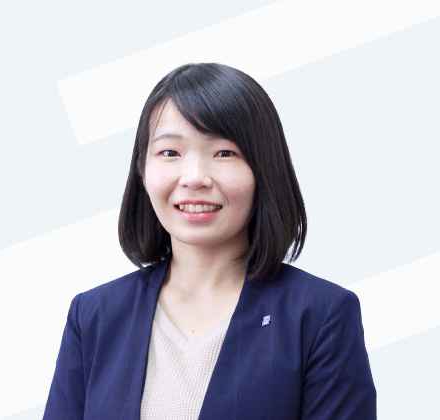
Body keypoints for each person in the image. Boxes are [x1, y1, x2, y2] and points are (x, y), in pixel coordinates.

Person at [43, 63, 376, 419]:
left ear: (264, 168)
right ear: (142, 169)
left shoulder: (320, 315)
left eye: (224, 153)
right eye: (170, 152)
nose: (194, 177)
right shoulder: (95, 315)